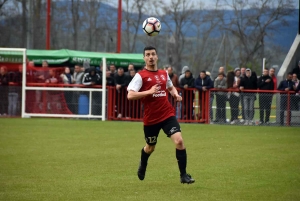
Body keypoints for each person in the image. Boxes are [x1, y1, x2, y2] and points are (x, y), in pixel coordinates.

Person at [127, 46, 195, 184]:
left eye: (153, 54)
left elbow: (170, 86)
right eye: (147, 55)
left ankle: (183, 175)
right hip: (151, 119)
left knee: (179, 141)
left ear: (157, 56)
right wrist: (148, 92)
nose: (151, 57)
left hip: (167, 114)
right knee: (150, 147)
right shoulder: (141, 76)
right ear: (144, 58)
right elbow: (130, 95)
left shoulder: (164, 73)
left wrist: (175, 94)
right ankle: (143, 162)